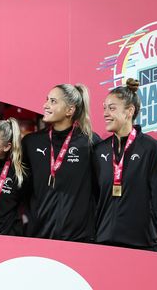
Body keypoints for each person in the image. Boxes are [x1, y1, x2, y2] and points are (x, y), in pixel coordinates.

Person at [93, 78, 157, 254]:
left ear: (129, 111)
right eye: (104, 108)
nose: (105, 113)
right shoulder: (99, 150)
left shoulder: (152, 149)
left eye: (112, 108)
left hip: (142, 246)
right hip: (103, 247)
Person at [22, 84, 100, 242]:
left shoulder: (90, 143)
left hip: (79, 240)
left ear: (70, 110)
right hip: (38, 237)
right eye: (46, 100)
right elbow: (21, 187)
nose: (45, 105)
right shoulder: (31, 142)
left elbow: (100, 190)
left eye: (53, 101)